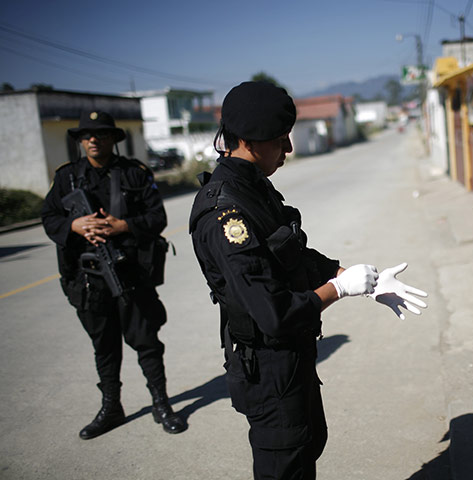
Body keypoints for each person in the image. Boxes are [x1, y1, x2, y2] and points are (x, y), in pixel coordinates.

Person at [189, 81, 427, 479]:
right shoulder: (225, 213)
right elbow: (273, 313)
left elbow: (293, 253)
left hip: (292, 358)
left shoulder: (254, 187)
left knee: (309, 443)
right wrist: (338, 289)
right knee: (286, 465)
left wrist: (356, 278)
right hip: (266, 367)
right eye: (281, 140)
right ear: (248, 140)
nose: (289, 150)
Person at [41, 111, 187, 439]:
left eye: (101, 134)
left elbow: (157, 217)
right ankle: (111, 407)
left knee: (147, 343)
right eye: (87, 135)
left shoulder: (134, 174)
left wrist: (125, 226)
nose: (94, 140)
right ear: (80, 141)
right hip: (89, 280)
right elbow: (49, 217)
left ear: (113, 139)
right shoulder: (66, 178)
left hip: (131, 275)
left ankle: (161, 404)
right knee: (104, 346)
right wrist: (74, 225)